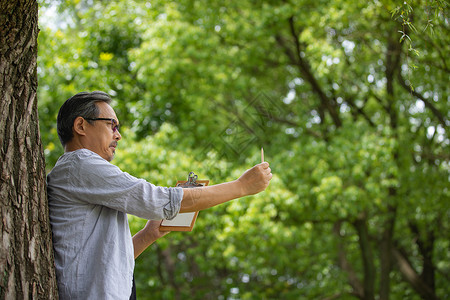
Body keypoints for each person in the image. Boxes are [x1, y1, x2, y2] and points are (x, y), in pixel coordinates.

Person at [47, 91, 273, 299]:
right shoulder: (80, 164)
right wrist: (242, 187)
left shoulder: (79, 173)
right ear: (81, 125)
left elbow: (103, 264)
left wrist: (148, 234)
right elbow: (157, 200)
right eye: (111, 125)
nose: (118, 135)